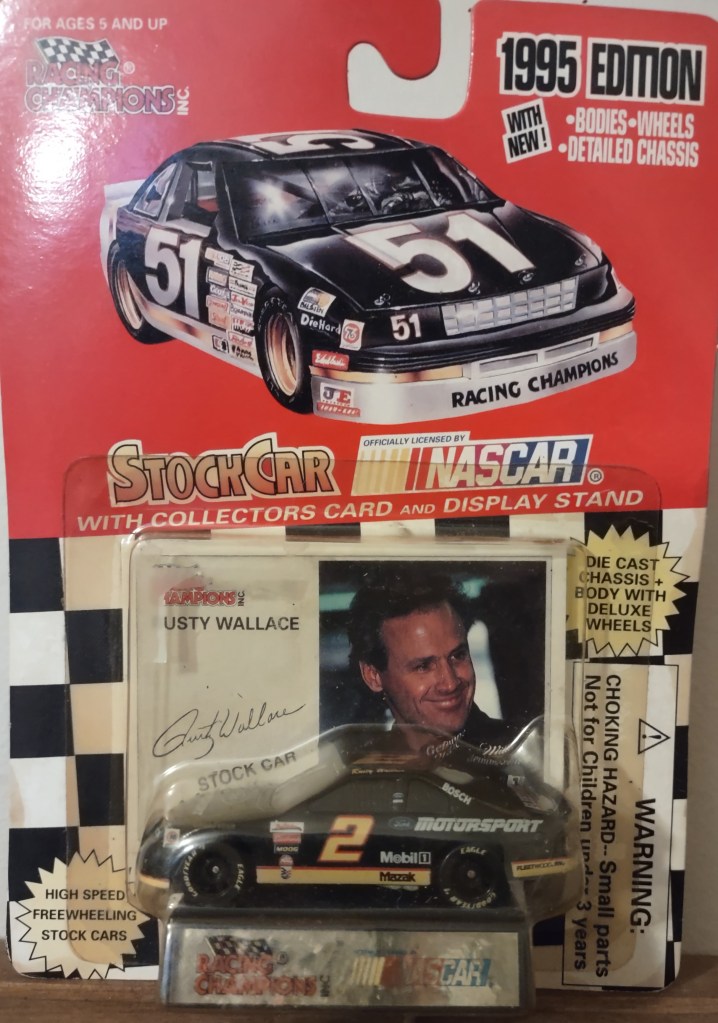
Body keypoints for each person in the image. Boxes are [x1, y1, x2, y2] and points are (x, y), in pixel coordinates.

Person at [346, 564, 514, 747]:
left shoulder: (521, 754)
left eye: (458, 656)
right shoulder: (365, 763)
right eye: (423, 666)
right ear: (373, 676)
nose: (450, 684)